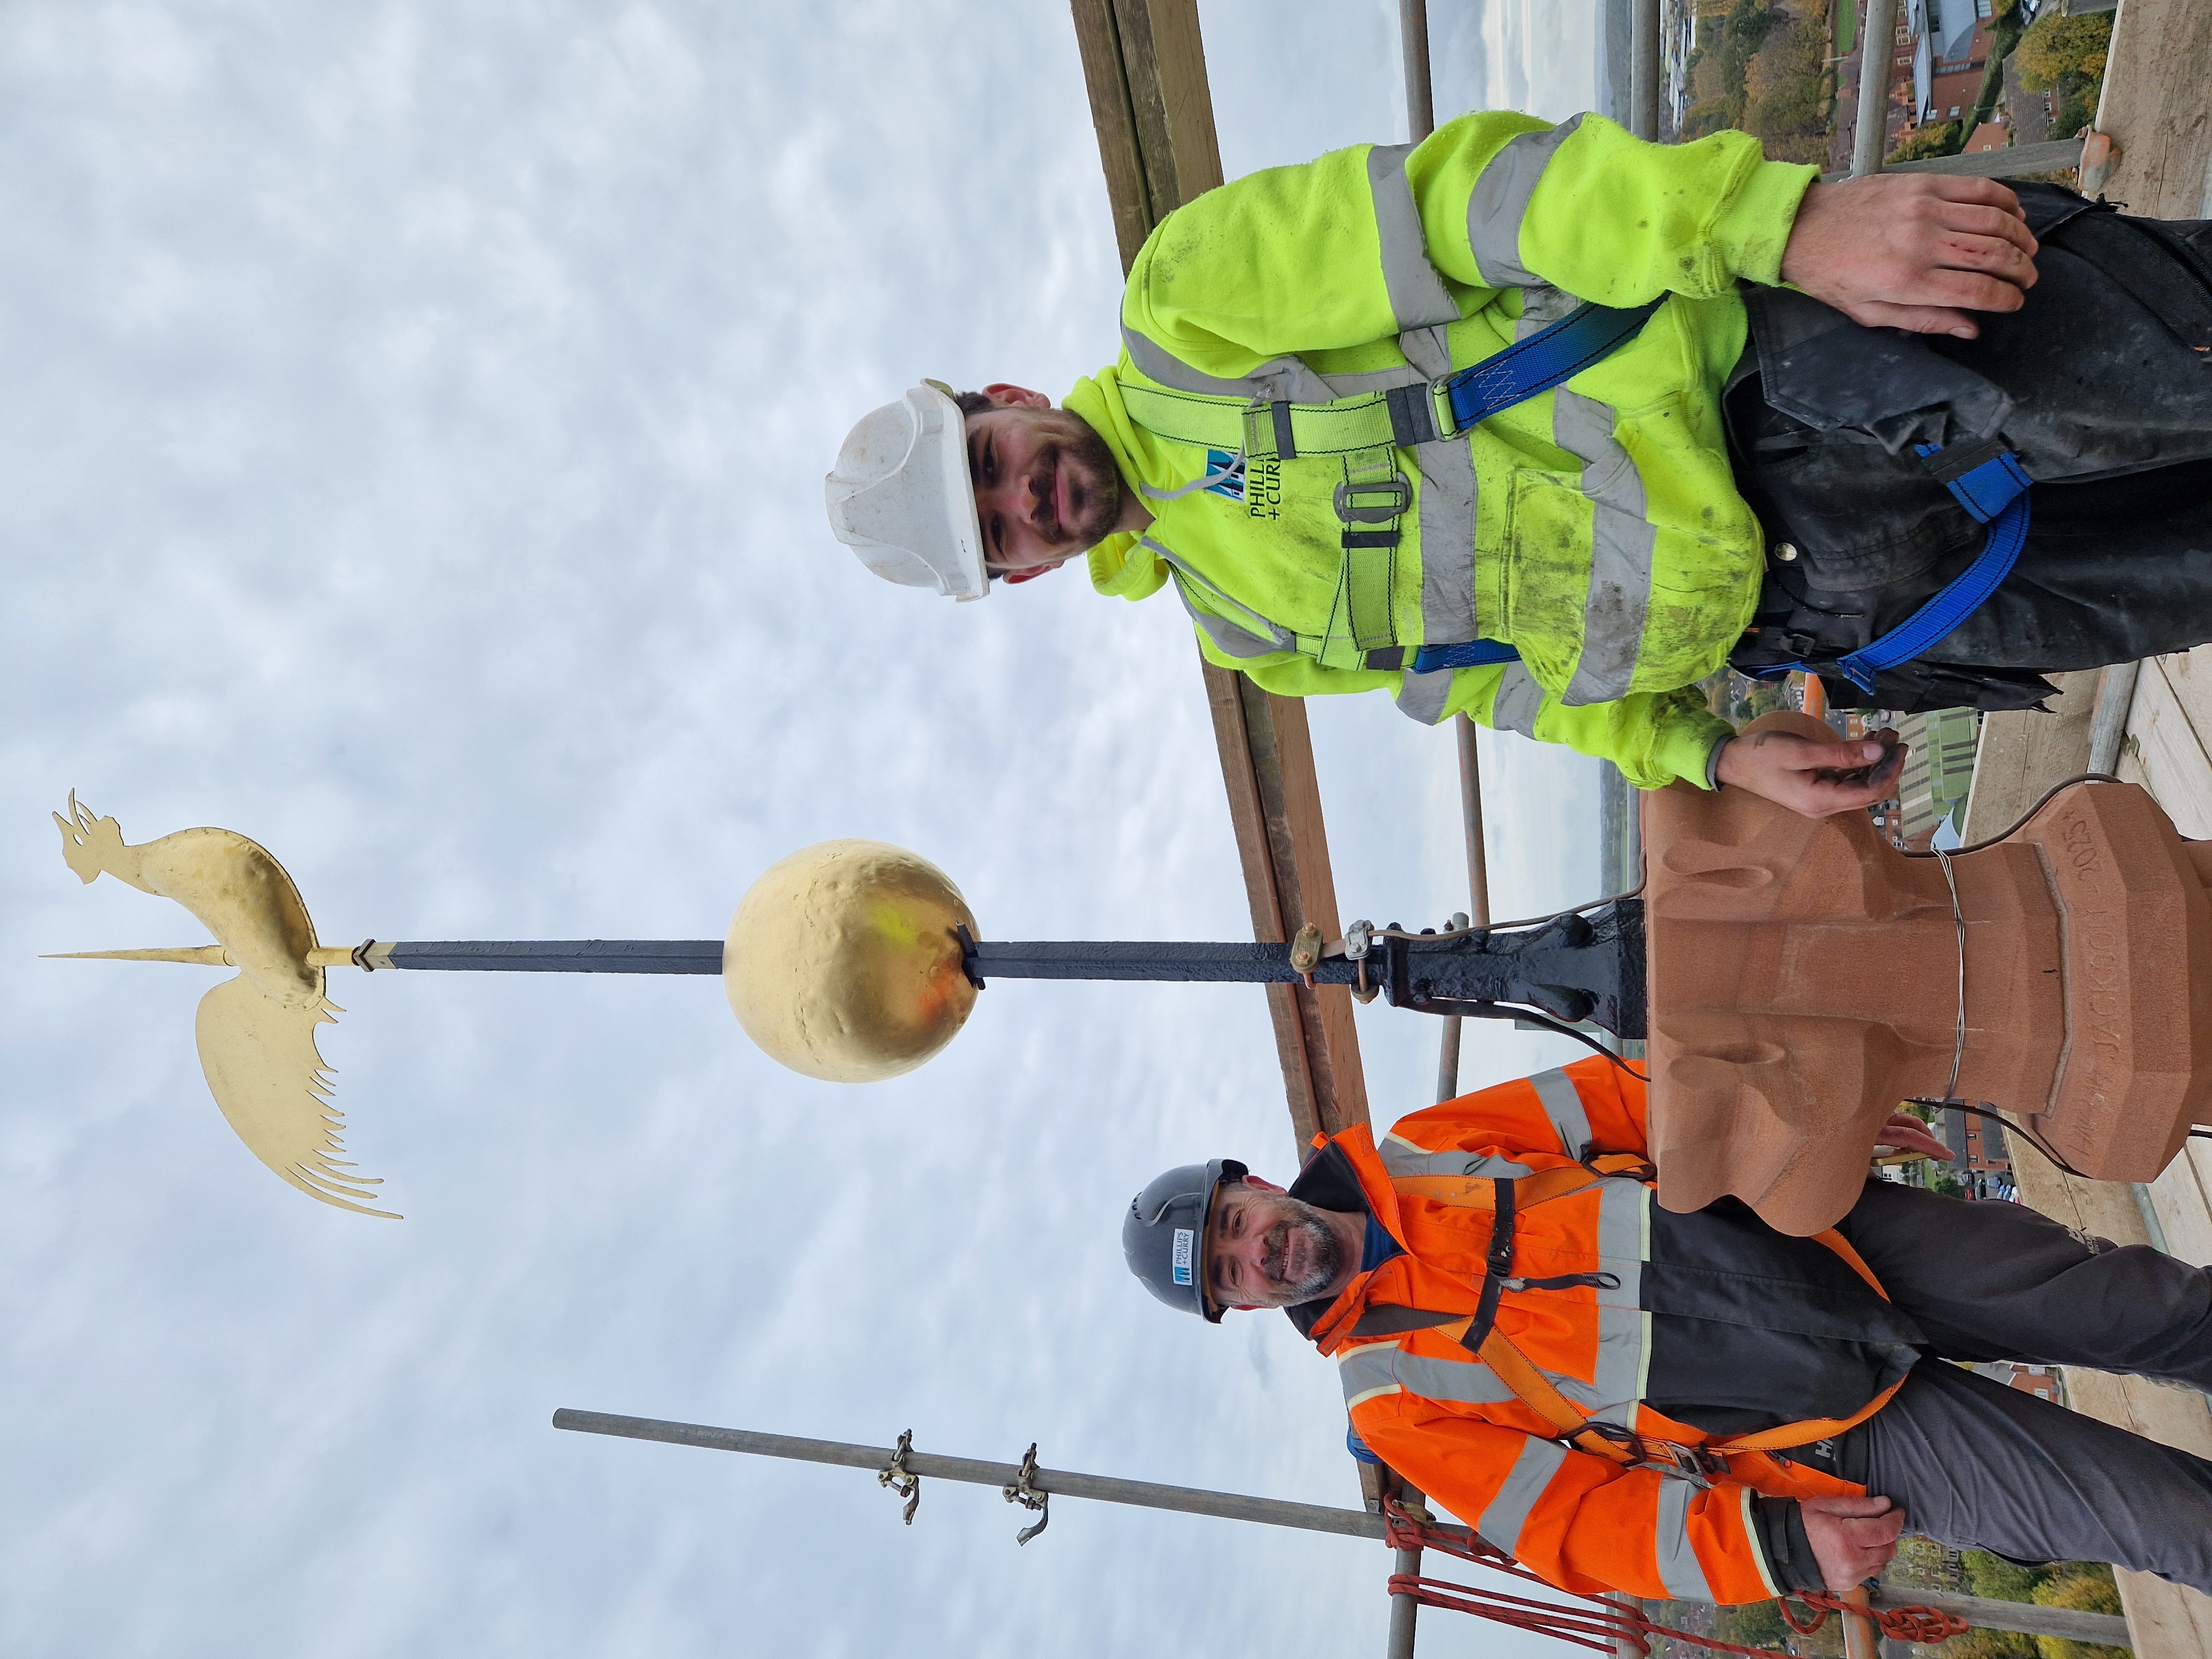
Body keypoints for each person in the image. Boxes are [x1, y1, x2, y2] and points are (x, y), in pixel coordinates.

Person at [824, 112, 2212, 821]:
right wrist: (1705, 755)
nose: (1024, 502)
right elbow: (1505, 679)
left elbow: (1481, 206)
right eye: (999, 533)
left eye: (992, 465)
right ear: (1020, 573)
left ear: (1003, 399)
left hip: (1803, 381)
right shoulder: (1249, 632)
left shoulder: (1185, 311)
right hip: (1843, 613)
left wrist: (1776, 223)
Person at [1121, 1056, 2212, 1601]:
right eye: (1229, 1275)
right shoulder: (1392, 1402)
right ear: (1246, 1308)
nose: (1254, 1251)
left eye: (1233, 1223)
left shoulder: (1417, 1145)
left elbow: (1614, 1101)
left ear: (1254, 1182)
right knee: (2160, 1520)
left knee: (2147, 1308)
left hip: (1823, 1235)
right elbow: (1576, 1524)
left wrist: (1797, 1112)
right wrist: (1776, 1547)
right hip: (1816, 1436)